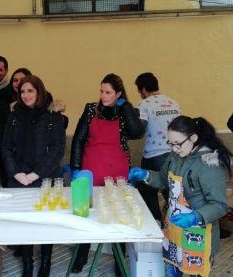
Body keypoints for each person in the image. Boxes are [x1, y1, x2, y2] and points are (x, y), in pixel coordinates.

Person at [129, 116, 231, 277]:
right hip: (175, 230)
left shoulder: (208, 163)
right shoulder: (175, 157)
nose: (174, 148)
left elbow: (220, 205)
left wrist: (196, 216)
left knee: (193, 273)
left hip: (198, 234)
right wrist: (145, 175)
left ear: (193, 138)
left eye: (178, 143)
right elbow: (163, 179)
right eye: (171, 143)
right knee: (172, 270)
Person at [69, 73, 145, 273]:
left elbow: (137, 132)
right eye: (102, 91)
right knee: (86, 213)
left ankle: (120, 262)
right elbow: (78, 139)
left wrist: (126, 107)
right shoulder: (90, 110)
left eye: (108, 92)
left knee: (118, 214)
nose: (103, 96)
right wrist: (76, 168)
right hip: (90, 171)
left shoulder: (124, 112)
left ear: (118, 93)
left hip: (117, 172)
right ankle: (82, 254)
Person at [2, 75, 65, 277]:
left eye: (30, 90)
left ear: (39, 91)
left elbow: (58, 150)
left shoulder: (53, 115)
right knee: (24, 223)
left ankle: (45, 263)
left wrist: (36, 174)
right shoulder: (14, 116)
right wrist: (16, 173)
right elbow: (6, 148)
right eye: (22, 91)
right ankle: (27, 265)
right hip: (19, 178)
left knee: (47, 222)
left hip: (45, 178)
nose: (26, 95)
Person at [135, 72, 181, 220]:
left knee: (148, 189)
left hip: (153, 155)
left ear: (143, 90)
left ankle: (155, 221)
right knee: (172, 190)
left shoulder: (144, 104)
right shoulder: (173, 103)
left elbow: (139, 130)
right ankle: (174, 222)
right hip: (176, 153)